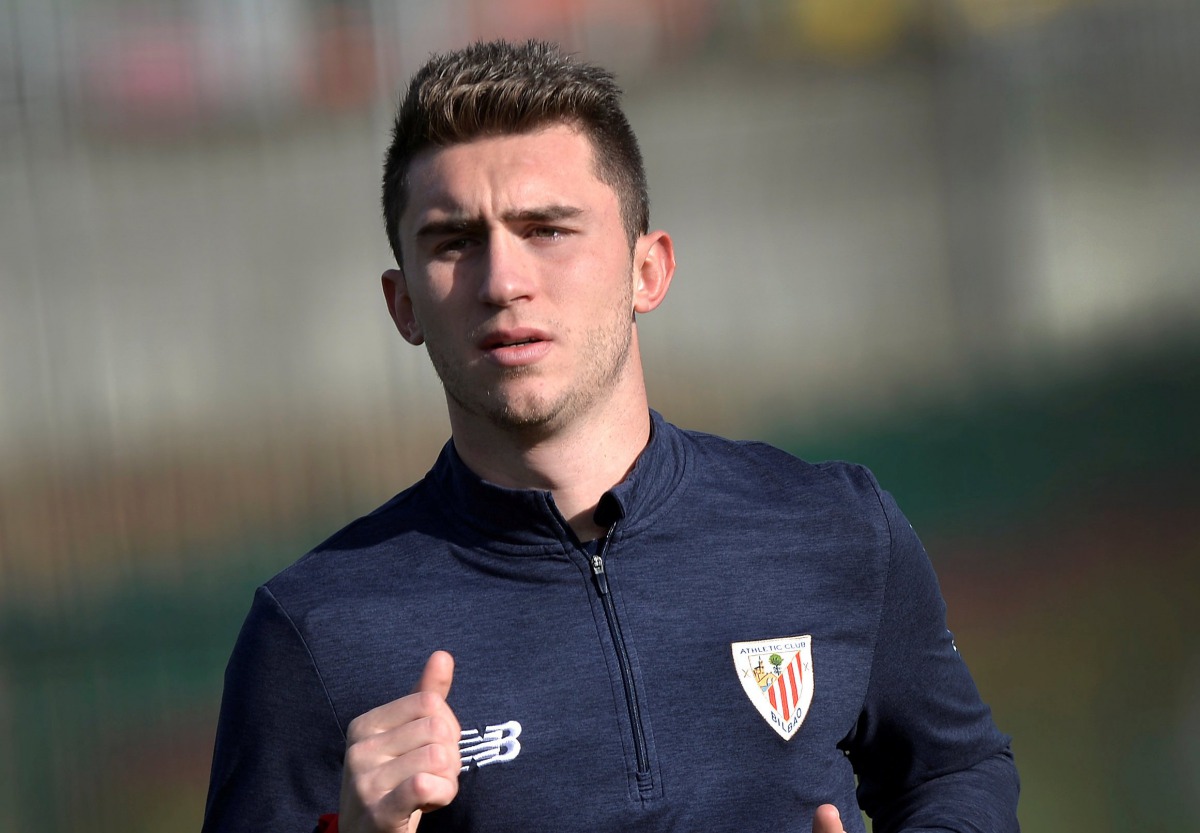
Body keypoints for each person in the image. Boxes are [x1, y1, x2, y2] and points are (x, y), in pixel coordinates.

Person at [202, 39, 1019, 833]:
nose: (504, 281)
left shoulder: (833, 526)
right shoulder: (314, 628)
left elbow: (955, 770)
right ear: (403, 303)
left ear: (647, 271)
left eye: (548, 229)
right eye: (454, 242)